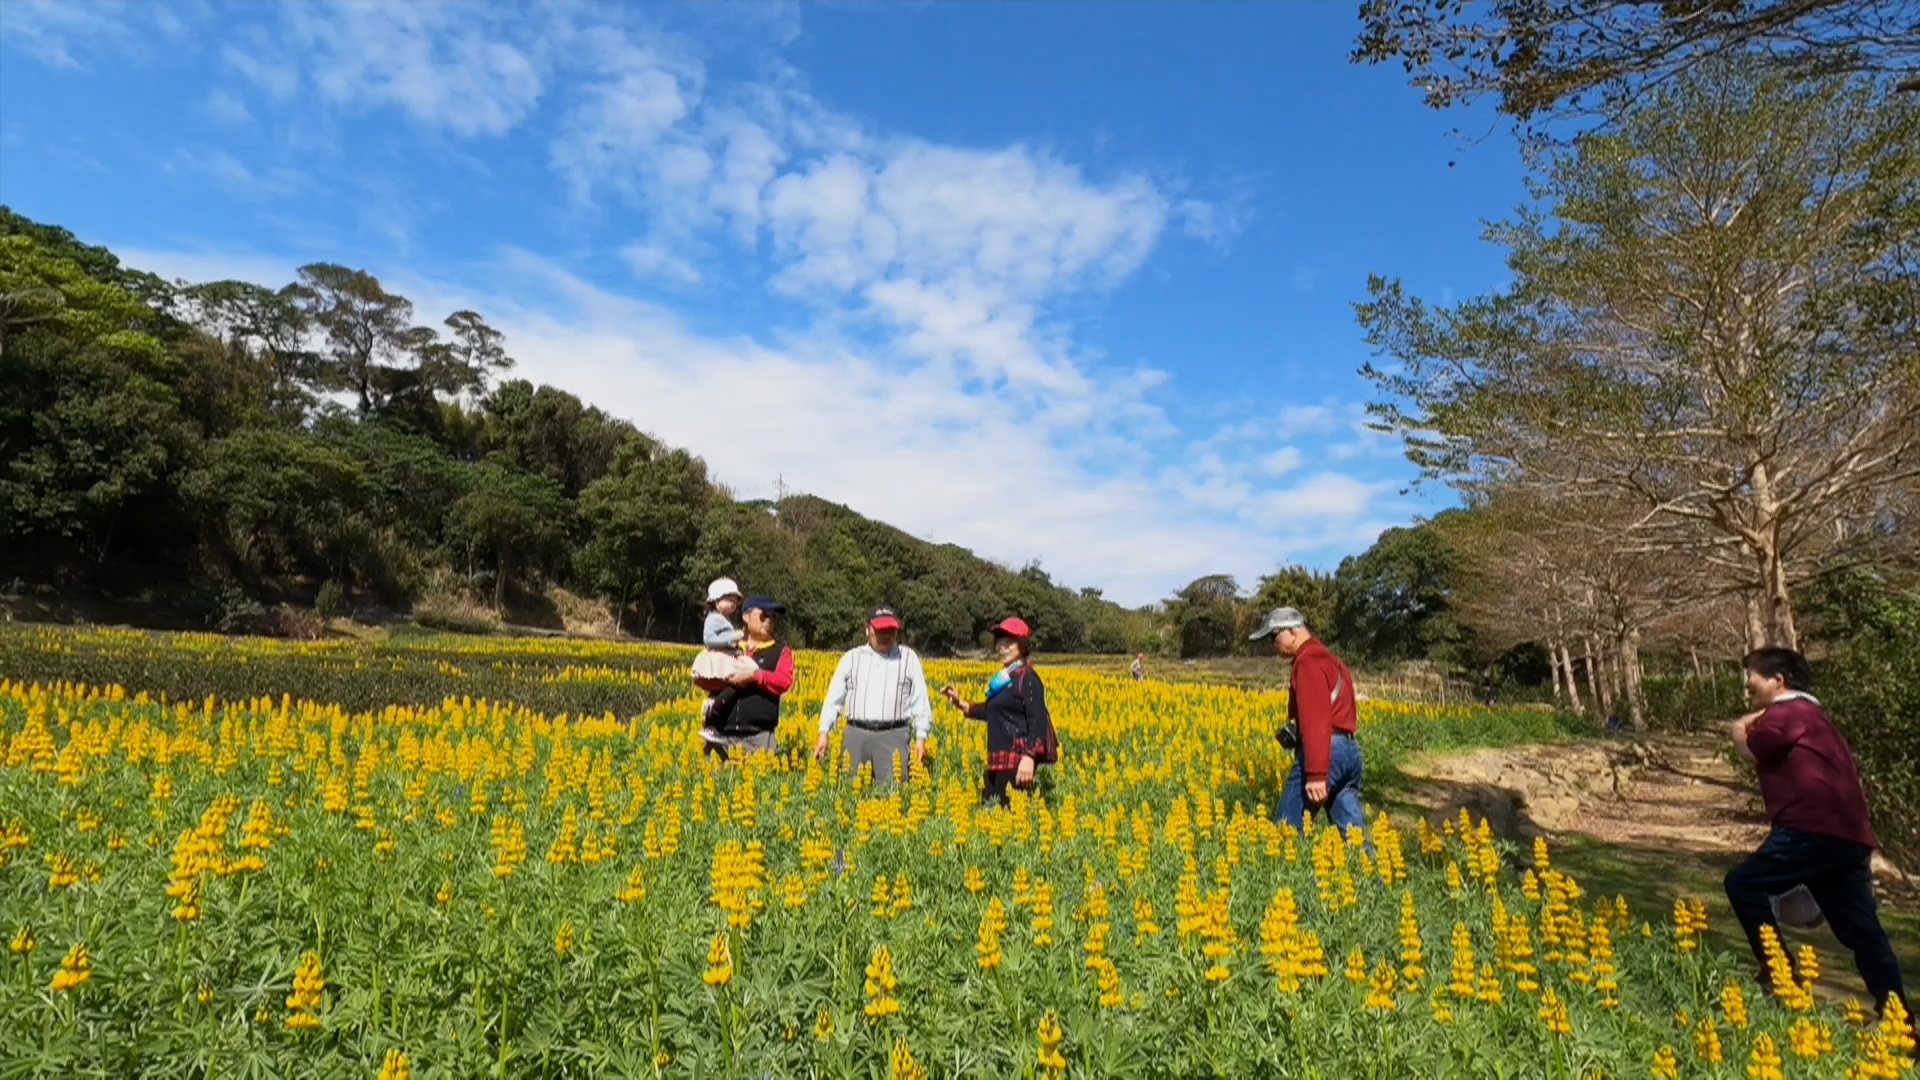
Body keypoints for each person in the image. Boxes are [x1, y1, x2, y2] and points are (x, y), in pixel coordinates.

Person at [1724, 647, 1908, 1021]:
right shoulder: (1816, 718)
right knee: (1863, 933)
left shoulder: (1788, 712)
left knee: (1743, 884)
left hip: (1811, 830)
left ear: (1778, 680)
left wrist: (1739, 729)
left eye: (1752, 674)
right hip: (1849, 837)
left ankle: (1779, 972)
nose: (1747, 683)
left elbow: (1751, 751)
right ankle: (1902, 1023)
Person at [1249, 606, 1362, 835]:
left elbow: (1316, 718)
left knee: (1285, 831)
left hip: (1326, 754)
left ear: (1291, 631)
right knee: (1353, 839)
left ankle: (1284, 861)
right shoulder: (1332, 660)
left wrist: (1316, 774)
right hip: (1349, 751)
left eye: (1274, 636)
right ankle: (1369, 861)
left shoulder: (1308, 661)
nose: (1273, 645)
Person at [939, 617, 1059, 807]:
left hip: (1016, 762)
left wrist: (1029, 757)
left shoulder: (1028, 678)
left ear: (1022, 645)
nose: (1002, 648)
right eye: (999, 643)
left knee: (1011, 816)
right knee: (989, 812)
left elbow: (1037, 720)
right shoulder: (1005, 678)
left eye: (1009, 643)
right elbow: (993, 712)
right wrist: (962, 704)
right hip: (997, 762)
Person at [814, 606, 934, 789]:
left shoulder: (908, 658)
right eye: (880, 630)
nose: (886, 635)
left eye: (890, 630)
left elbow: (920, 701)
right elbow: (833, 699)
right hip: (856, 735)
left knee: (892, 792)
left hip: (893, 736)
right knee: (850, 791)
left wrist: (921, 737)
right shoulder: (851, 658)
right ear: (867, 629)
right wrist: (824, 733)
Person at [702, 596, 795, 763]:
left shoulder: (780, 651)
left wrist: (754, 676)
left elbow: (784, 681)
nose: (769, 621)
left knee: (757, 779)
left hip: (757, 738)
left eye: (773, 617)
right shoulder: (727, 646)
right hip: (719, 736)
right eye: (764, 615)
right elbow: (705, 675)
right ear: (746, 616)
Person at [691, 578, 758, 743]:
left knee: (732, 685)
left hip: (727, 657)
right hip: (718, 658)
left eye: (735, 600)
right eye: (728, 599)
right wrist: (732, 638)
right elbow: (709, 639)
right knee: (733, 685)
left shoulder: (723, 619)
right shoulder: (713, 618)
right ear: (715, 601)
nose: (733, 603)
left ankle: (715, 715)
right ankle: (713, 712)